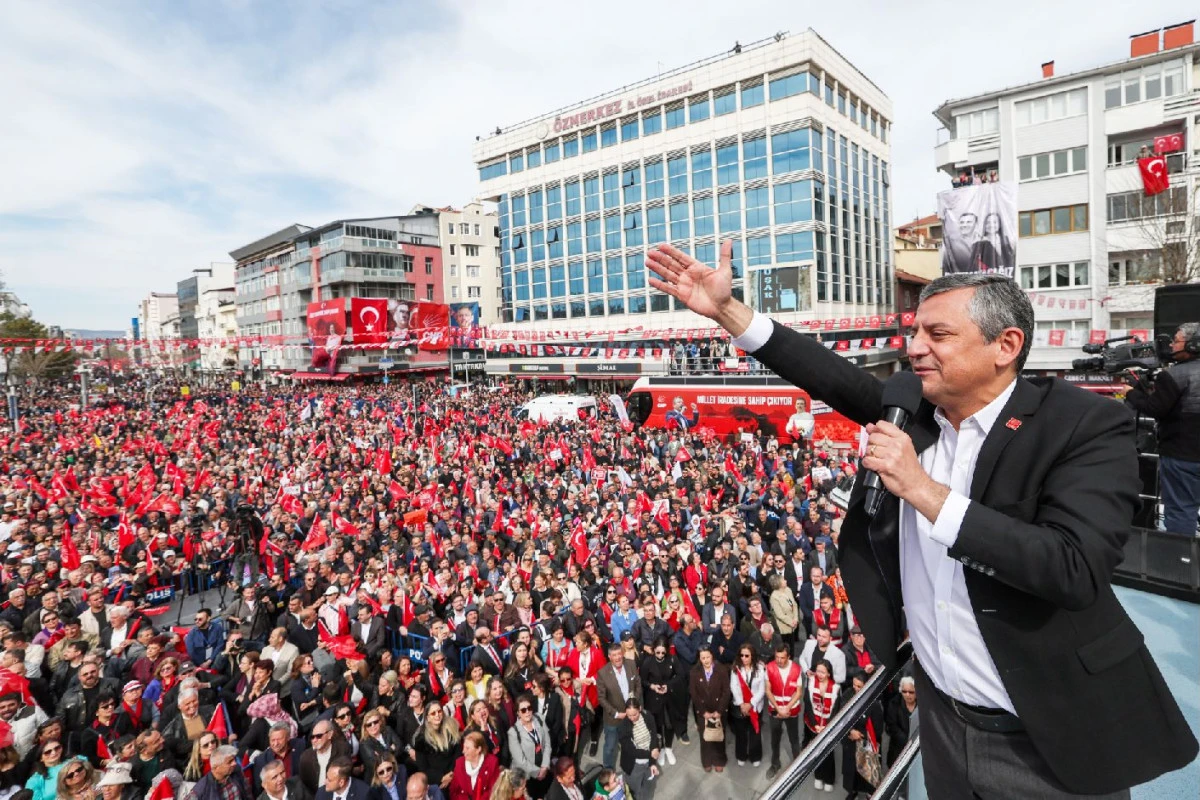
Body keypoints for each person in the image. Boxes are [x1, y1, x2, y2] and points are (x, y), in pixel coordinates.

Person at [647, 242, 1198, 797]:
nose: (915, 349)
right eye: (915, 334)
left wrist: (922, 491)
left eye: (939, 335)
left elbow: (1073, 567)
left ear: (1005, 345)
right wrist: (726, 309)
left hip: (1049, 734)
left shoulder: (1084, 425)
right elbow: (825, 373)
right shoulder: (917, 410)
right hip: (940, 720)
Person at [1125, 322, 1200, 535]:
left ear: (1194, 345)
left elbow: (1155, 408)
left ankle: (1179, 562)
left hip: (1183, 457)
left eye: (1176, 342)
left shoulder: (1174, 375)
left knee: (1181, 510)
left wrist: (1131, 392)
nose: (1172, 347)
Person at [594, 644, 640, 772]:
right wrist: (615, 714)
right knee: (610, 746)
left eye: (619, 654)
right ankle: (608, 770)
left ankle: (631, 764)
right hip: (613, 719)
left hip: (631, 714)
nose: (617, 657)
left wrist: (634, 704)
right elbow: (601, 698)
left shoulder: (630, 664)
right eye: (614, 655)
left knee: (631, 741)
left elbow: (637, 684)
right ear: (609, 657)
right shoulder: (602, 673)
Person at [687, 648, 728, 773]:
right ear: (700, 658)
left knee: (719, 736)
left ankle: (719, 760)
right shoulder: (695, 672)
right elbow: (694, 694)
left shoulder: (721, 670)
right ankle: (707, 761)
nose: (706, 661)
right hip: (703, 711)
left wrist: (719, 711)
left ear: (712, 656)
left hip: (718, 709)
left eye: (708, 657)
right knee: (705, 738)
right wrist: (703, 712)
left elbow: (726, 692)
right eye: (703, 658)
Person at [801, 659, 839, 792]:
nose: (820, 674)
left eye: (823, 672)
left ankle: (829, 779)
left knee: (828, 752)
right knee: (816, 751)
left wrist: (826, 726)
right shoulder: (810, 683)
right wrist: (815, 724)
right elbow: (808, 705)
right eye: (818, 671)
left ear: (829, 673)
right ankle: (818, 776)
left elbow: (835, 710)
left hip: (828, 727)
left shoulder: (835, 688)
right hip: (813, 725)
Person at [505, 695, 550, 800]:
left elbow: (547, 743)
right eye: (523, 710)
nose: (528, 712)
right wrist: (538, 772)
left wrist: (545, 765)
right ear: (518, 713)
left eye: (529, 708)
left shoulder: (539, 719)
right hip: (527, 776)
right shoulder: (513, 732)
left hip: (543, 769)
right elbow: (520, 761)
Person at [728, 644, 765, 767]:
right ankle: (741, 755)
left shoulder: (760, 668)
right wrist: (742, 704)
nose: (743, 658)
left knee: (755, 731)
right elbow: (734, 686)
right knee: (741, 733)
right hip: (740, 706)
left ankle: (755, 756)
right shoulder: (736, 668)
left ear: (752, 656)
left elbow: (762, 689)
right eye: (741, 655)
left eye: (746, 655)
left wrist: (751, 704)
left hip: (755, 706)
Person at [615, 700, 659, 800]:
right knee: (634, 791)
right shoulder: (623, 727)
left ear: (639, 709)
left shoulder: (648, 717)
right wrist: (651, 754)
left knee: (649, 787)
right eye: (629, 715)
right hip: (634, 765)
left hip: (649, 761)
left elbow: (653, 738)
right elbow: (632, 751)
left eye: (634, 714)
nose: (632, 718)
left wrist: (652, 763)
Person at [446, 732, 500, 800]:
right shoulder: (459, 763)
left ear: (478, 749)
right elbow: (453, 792)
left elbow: (494, 789)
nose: (463, 751)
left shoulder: (492, 762)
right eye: (464, 747)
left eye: (467, 748)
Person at [185, 746, 252, 800]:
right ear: (216, 768)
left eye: (234, 759)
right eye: (230, 762)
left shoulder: (236, 771)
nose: (234, 763)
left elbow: (248, 794)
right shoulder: (201, 789)